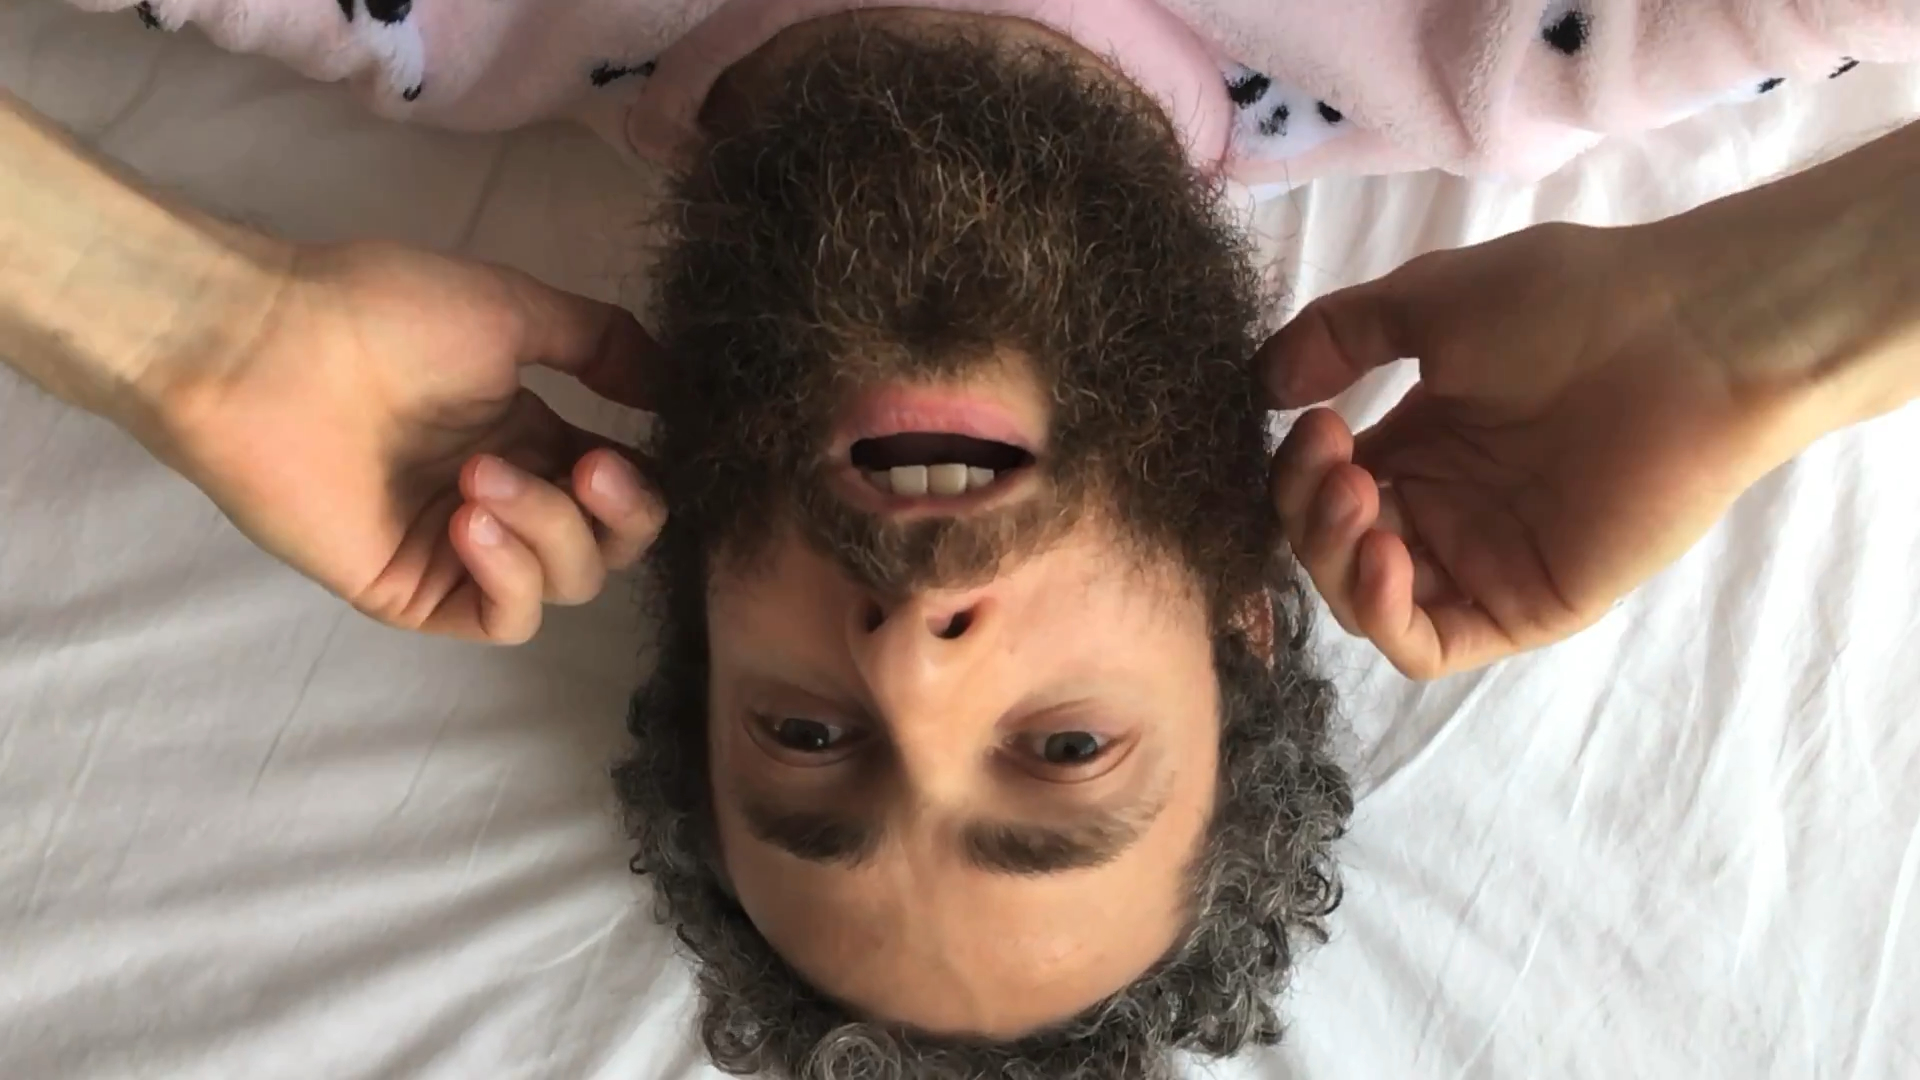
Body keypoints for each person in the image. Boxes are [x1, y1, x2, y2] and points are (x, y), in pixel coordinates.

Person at [2, 4, 1916, 1079]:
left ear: (694, 585)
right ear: (1239, 613)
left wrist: (177, 328)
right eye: (1063, 749)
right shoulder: (1544, 38)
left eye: (803, 741)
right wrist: (1765, 323)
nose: (913, 669)